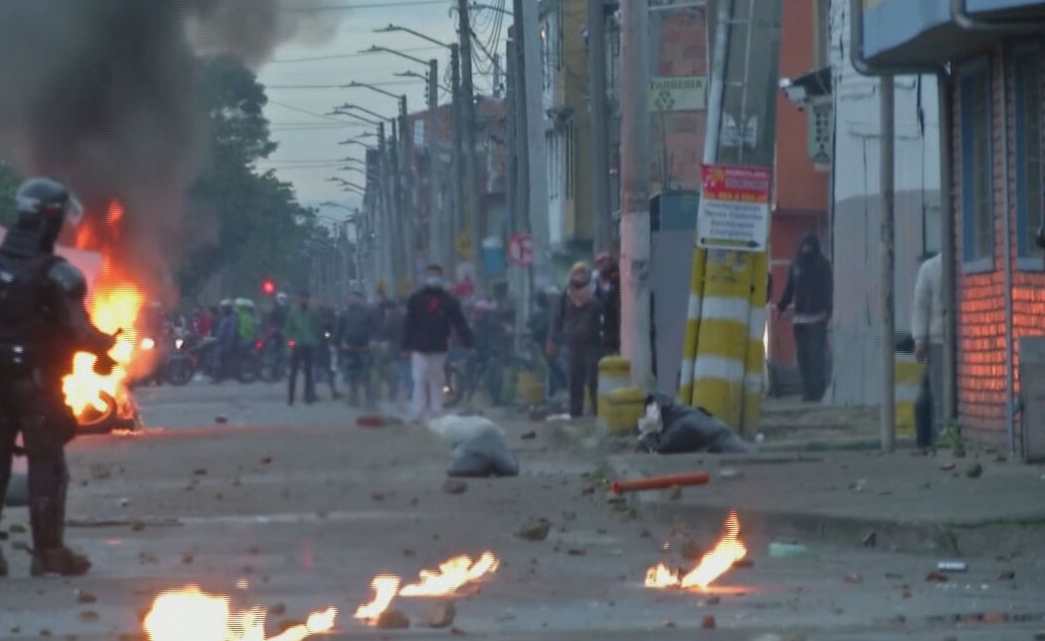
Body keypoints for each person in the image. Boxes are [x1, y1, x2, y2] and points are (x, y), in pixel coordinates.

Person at [0, 177, 116, 577]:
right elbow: (80, 332)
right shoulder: (56, 274)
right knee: (47, 465)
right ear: (50, 220)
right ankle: (48, 554)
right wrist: (105, 346)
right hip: (35, 384)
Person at [403, 264, 474, 422]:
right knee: (420, 378)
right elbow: (409, 324)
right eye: (430, 275)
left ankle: (436, 411)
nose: (433, 278)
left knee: (436, 379)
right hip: (419, 347)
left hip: (439, 346)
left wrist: (467, 343)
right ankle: (419, 411)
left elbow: (459, 323)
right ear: (425, 278)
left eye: (436, 275)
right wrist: (405, 346)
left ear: (441, 277)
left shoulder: (449, 301)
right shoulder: (416, 299)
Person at [776, 233, 833, 402]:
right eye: (804, 246)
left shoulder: (822, 265)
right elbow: (789, 289)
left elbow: (829, 289)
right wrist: (781, 307)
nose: (806, 249)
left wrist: (828, 311)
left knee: (816, 356)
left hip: (818, 318)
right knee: (803, 357)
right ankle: (808, 391)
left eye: (809, 246)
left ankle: (819, 390)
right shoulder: (796, 266)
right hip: (799, 319)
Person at [550, 263, 604, 418]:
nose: (579, 276)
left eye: (582, 273)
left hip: (592, 344)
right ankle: (575, 414)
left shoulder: (596, 292)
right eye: (576, 273)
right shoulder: (565, 295)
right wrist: (553, 339)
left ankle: (597, 412)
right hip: (572, 344)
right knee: (574, 380)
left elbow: (606, 311)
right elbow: (557, 318)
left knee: (594, 380)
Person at [912, 252, 944, 449]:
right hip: (939, 338)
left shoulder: (931, 268)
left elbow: (920, 306)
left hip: (943, 336)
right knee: (938, 391)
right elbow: (921, 306)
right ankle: (942, 433)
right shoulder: (930, 268)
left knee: (938, 391)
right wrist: (920, 339)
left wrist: (920, 339)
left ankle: (943, 433)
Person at [336, 292, 376, 408]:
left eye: (355, 299)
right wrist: (334, 343)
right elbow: (337, 331)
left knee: (366, 375)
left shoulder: (368, 313)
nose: (352, 301)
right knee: (352, 375)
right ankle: (354, 399)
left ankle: (370, 401)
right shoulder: (343, 315)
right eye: (350, 299)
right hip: (349, 349)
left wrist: (374, 341)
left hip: (365, 349)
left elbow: (376, 329)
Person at [285, 291, 321, 405]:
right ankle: (291, 397)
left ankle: (307, 396)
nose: (304, 301)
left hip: (309, 346)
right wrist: (290, 346)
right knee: (293, 373)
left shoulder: (313, 313)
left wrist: (325, 338)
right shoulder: (292, 313)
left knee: (309, 373)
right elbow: (288, 332)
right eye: (303, 298)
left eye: (306, 298)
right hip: (297, 346)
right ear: (299, 299)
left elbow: (320, 329)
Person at [594, 252, 621, 355]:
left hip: (616, 329)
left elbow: (619, 302)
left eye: (606, 261)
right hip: (602, 332)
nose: (604, 265)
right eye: (601, 262)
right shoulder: (594, 285)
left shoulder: (618, 283)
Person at [215, 299, 239, 381]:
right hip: (221, 343)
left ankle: (220, 376)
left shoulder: (232, 318)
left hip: (226, 344)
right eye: (222, 308)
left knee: (221, 359)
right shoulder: (225, 318)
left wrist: (228, 345)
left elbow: (231, 333)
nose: (223, 310)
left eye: (225, 308)